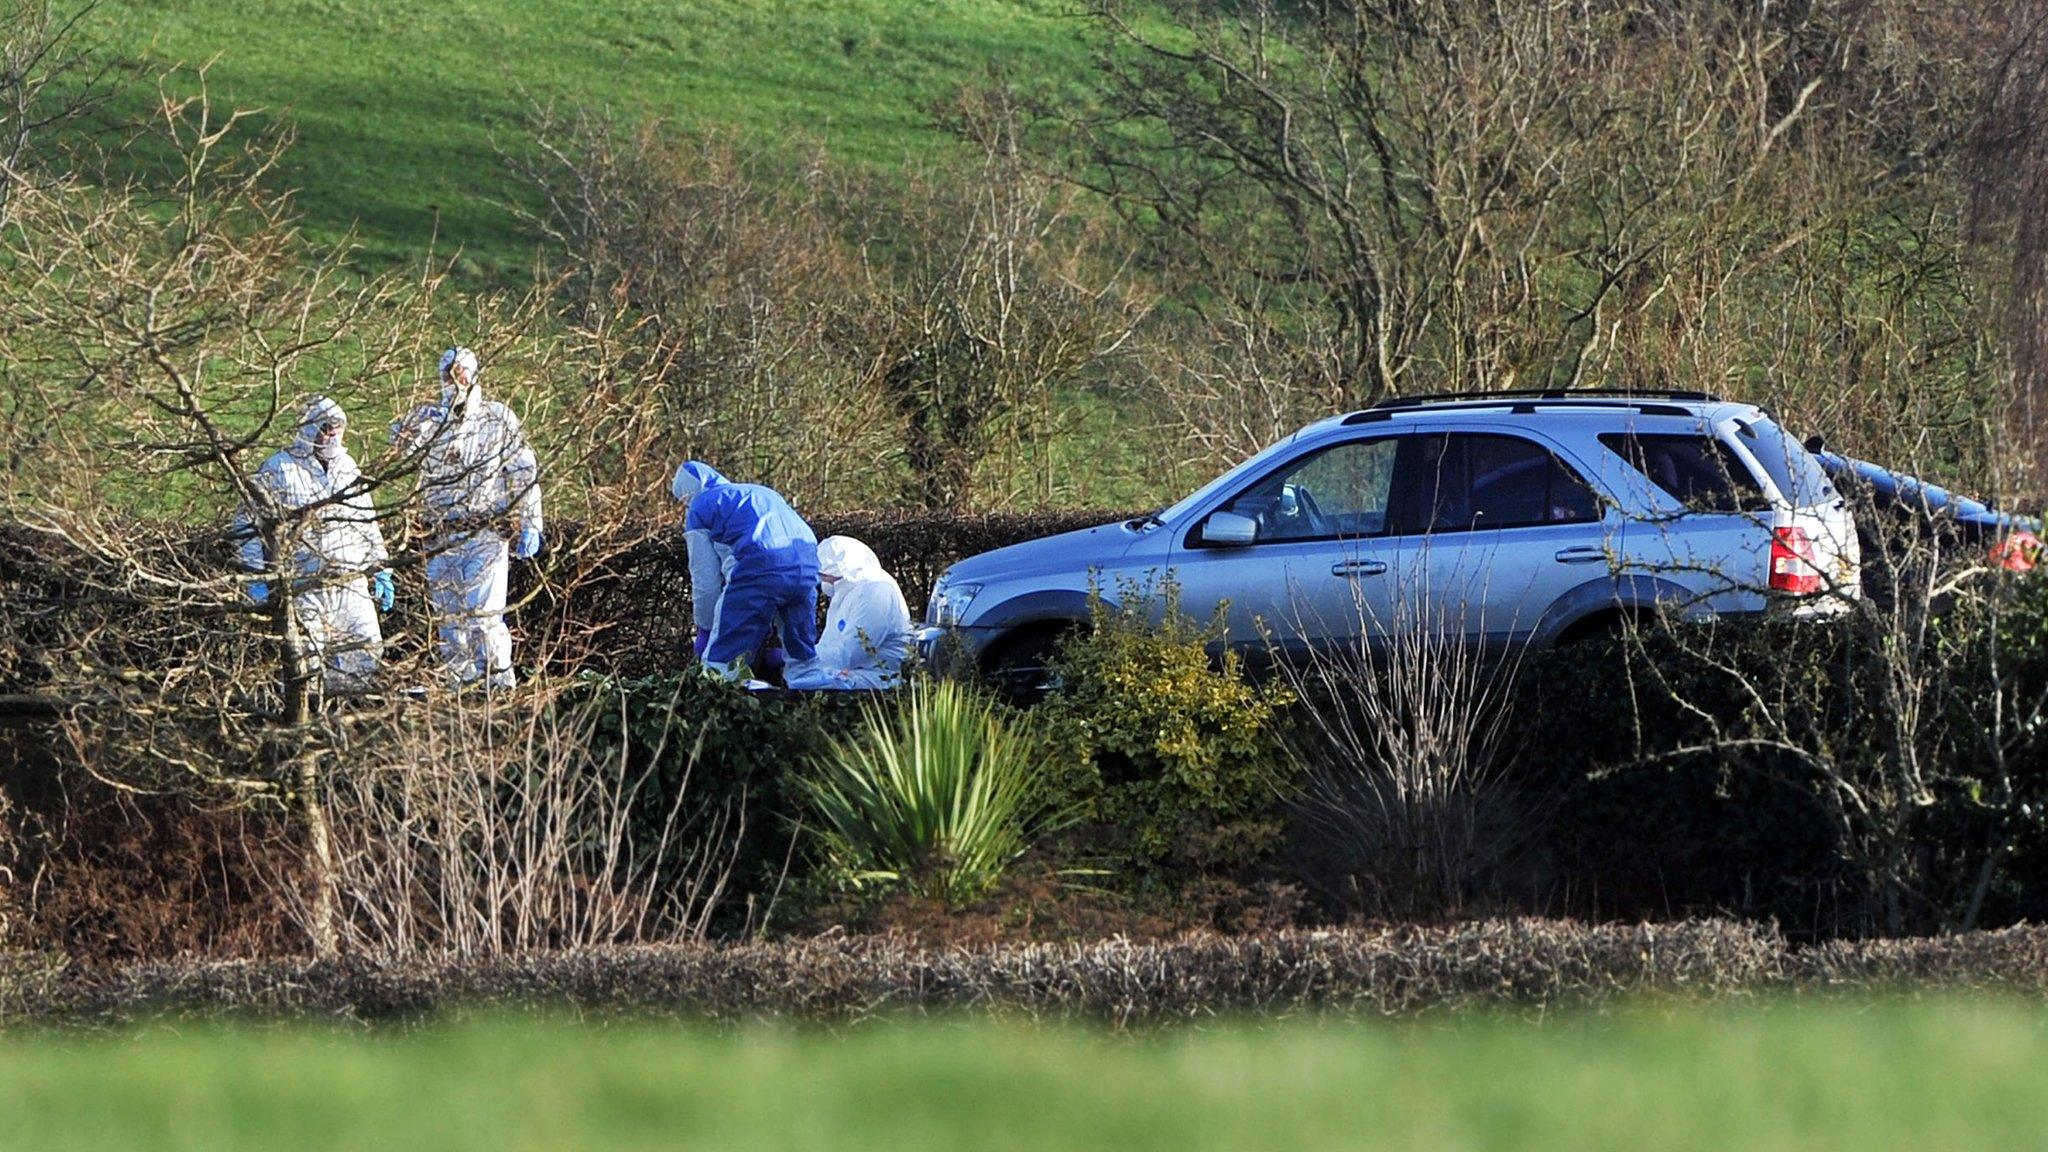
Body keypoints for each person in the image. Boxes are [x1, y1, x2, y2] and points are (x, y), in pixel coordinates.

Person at [392, 346, 544, 691]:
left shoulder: (496, 418)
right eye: (448, 374)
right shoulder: (431, 420)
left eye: (460, 372)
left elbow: (522, 470)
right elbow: (398, 447)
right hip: (441, 533)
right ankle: (459, 685)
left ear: (473, 374)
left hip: (484, 531)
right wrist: (418, 423)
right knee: (449, 617)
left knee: (483, 613)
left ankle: (499, 683)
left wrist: (530, 520)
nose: (454, 380)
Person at [234, 396, 394, 692]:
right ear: (309, 429)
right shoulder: (279, 469)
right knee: (306, 666)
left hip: (351, 584)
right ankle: (306, 726)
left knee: (366, 653)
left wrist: (380, 566)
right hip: (305, 587)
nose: (332, 435)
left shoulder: (348, 469)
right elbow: (247, 525)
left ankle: (345, 721)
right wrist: (256, 578)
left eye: (337, 428)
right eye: (325, 428)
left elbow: (367, 521)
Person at [669, 460, 820, 683]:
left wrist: (705, 628)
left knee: (722, 669)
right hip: (807, 562)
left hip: (760, 565)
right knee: (804, 662)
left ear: (686, 495)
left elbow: (705, 580)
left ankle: (739, 709)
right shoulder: (759, 492)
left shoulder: (700, 507)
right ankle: (814, 700)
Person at [785, 536, 914, 691]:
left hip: (880, 676)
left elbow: (852, 651)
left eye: (824, 575)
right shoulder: (848, 591)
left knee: (803, 682)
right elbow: (832, 644)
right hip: (859, 670)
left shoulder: (876, 591)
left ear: (839, 572)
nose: (821, 580)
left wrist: (800, 657)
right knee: (800, 678)